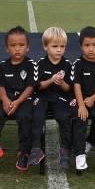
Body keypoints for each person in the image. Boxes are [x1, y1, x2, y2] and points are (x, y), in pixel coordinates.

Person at [0, 26, 37, 172]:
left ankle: (24, 151)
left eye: (21, 45)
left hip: (24, 100)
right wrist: (4, 99)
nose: (17, 49)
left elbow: (30, 87)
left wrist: (17, 102)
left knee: (25, 117)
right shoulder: (3, 66)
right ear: (7, 48)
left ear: (28, 48)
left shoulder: (31, 65)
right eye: (13, 45)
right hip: (7, 100)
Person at [32, 27, 74, 170]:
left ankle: (65, 151)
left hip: (60, 98)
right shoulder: (40, 64)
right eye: (55, 46)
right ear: (45, 46)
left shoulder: (68, 65)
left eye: (62, 46)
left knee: (64, 117)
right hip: (43, 97)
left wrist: (62, 83)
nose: (59, 50)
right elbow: (38, 86)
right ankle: (36, 149)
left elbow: (69, 88)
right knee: (37, 116)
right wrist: (51, 80)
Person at [71, 26, 95, 171]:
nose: (91, 49)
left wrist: (93, 98)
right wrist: (82, 105)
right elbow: (76, 86)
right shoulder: (77, 64)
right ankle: (80, 155)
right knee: (80, 118)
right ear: (81, 46)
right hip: (80, 100)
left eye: (94, 45)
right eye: (87, 45)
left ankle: (91, 141)